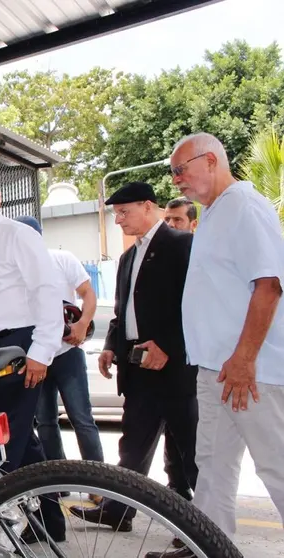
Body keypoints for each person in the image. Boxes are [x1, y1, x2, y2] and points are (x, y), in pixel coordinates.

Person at [150, 132, 284, 557]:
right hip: (214, 369)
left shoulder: (245, 206)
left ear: (210, 161)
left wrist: (245, 358)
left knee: (276, 466)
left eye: (180, 169)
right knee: (213, 466)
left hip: (250, 370)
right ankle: (206, 547)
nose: (176, 181)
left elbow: (268, 285)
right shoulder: (213, 214)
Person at [70, 181, 198, 535]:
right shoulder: (127, 257)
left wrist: (169, 346)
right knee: (132, 448)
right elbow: (121, 313)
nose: (119, 221)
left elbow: (196, 305)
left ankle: (205, 528)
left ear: (147, 206)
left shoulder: (181, 244)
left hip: (174, 370)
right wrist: (112, 345)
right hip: (138, 369)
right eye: (115, 214)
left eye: (124, 213)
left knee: (191, 452)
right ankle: (117, 511)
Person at [0, 169, 66, 542]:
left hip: (19, 346)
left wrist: (42, 351)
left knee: (2, 443)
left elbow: (47, 290)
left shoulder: (18, 235)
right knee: (26, 445)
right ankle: (49, 523)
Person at [13, 216, 104, 468]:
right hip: (36, 355)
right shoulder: (15, 270)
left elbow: (88, 293)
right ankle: (57, 480)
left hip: (66, 353)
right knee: (45, 420)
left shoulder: (62, 259)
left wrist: (82, 324)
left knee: (81, 417)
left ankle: (98, 479)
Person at [161, 196, 199, 503]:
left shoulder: (198, 259)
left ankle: (204, 521)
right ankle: (178, 497)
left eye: (178, 221)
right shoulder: (162, 258)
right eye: (168, 221)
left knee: (193, 441)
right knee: (172, 440)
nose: (172, 226)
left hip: (195, 368)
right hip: (166, 370)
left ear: (193, 224)